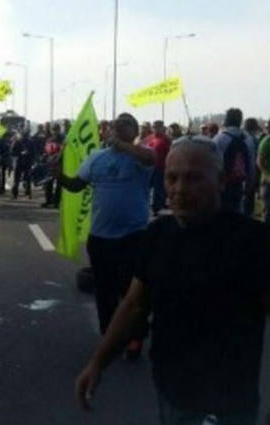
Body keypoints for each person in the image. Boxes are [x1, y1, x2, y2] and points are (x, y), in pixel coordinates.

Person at [75, 136, 270, 425]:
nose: (180, 189)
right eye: (172, 178)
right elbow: (134, 305)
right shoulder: (157, 237)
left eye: (194, 178)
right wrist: (98, 362)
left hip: (228, 402)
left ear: (220, 181)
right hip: (171, 393)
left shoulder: (254, 241)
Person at [56, 113, 155, 359]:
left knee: (132, 291)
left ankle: (135, 338)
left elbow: (151, 157)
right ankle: (109, 336)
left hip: (134, 235)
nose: (121, 126)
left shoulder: (140, 158)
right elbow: (76, 185)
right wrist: (58, 175)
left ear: (135, 131)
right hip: (101, 237)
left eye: (127, 123)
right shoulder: (96, 158)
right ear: (110, 129)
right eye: (117, 123)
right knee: (105, 290)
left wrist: (124, 146)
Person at [213, 108, 256, 215]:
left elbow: (212, 163)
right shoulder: (247, 139)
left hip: (221, 183)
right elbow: (251, 164)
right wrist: (251, 183)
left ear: (226, 120)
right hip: (239, 182)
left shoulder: (219, 139)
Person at [145, 120, 172, 215]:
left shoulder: (167, 139)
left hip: (162, 167)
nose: (156, 128)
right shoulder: (150, 138)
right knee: (148, 188)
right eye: (154, 126)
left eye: (158, 126)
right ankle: (152, 205)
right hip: (150, 167)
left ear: (162, 127)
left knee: (159, 188)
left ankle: (157, 207)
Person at [41, 124, 64, 208]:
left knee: (59, 184)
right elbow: (46, 150)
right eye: (54, 129)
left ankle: (56, 202)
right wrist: (44, 156)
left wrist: (58, 157)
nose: (55, 131)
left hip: (59, 163)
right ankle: (48, 200)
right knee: (48, 183)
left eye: (56, 129)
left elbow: (63, 151)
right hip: (50, 163)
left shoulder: (63, 139)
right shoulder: (49, 139)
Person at [10, 131, 34, 199]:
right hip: (25, 162)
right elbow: (34, 153)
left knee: (17, 179)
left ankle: (16, 194)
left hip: (20, 162)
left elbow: (12, 152)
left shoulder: (17, 142)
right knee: (27, 179)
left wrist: (20, 153)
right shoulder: (30, 142)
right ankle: (28, 193)